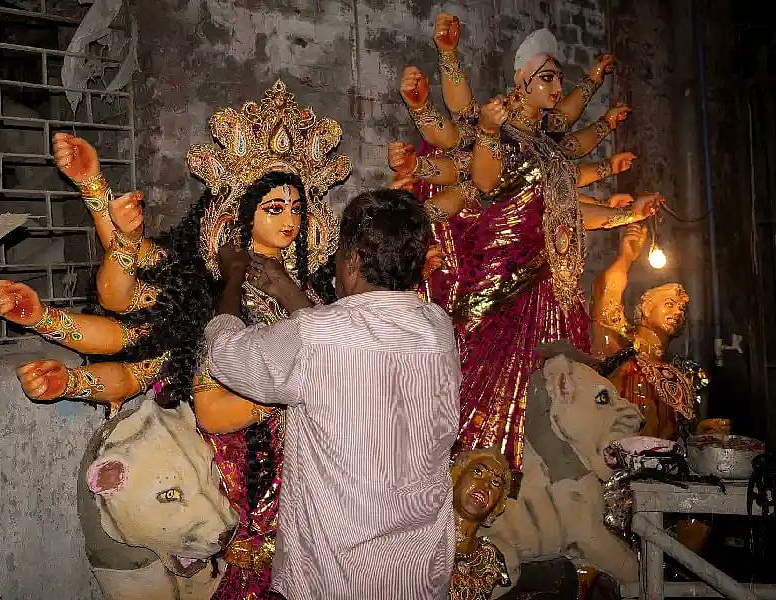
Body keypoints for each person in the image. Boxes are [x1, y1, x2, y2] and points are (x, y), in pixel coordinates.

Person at [0, 79, 351, 598]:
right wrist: (95, 194)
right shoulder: (206, 285)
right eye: (275, 207)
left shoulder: (316, 287)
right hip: (235, 468)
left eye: (297, 208)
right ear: (240, 211)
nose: (291, 220)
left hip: (316, 462)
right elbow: (126, 289)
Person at [389, 17, 665, 480]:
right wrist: (446, 76)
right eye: (547, 78)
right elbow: (480, 179)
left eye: (559, 79)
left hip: (552, 282)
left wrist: (626, 213)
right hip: (500, 278)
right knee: (485, 378)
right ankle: (467, 474)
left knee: (555, 387)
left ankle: (541, 479)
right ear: (522, 80)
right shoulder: (496, 131)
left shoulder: (550, 147)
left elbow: (568, 207)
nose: (557, 88)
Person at [205, 188, 460, 599]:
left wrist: (232, 276)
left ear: (353, 262)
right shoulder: (436, 327)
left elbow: (225, 355)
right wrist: (288, 291)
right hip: (419, 564)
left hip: (339, 572)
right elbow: (352, 340)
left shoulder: (317, 337)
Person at [590, 224, 708, 440]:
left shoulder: (685, 372)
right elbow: (605, 295)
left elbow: (683, 430)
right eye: (669, 304)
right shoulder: (621, 351)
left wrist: (704, 432)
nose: (678, 312)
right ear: (645, 308)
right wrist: (625, 258)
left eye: (682, 310)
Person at [449, 447, 513, 600]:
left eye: (496, 482)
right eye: (478, 472)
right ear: (455, 477)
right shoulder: (420, 532)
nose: (485, 485)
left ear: (498, 505)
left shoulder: (490, 559)